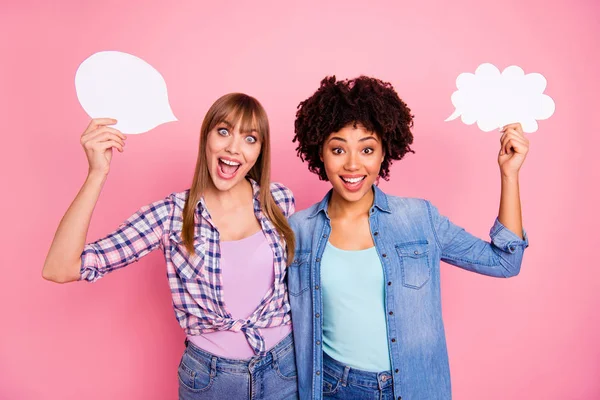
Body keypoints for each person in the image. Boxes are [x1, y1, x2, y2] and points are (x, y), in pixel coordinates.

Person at [42, 93, 299, 400]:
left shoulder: (279, 200)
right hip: (211, 380)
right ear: (206, 137)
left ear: (259, 151)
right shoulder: (170, 216)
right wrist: (97, 173)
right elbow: (60, 268)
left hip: (283, 369)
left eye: (250, 138)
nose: (234, 147)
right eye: (224, 131)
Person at [287, 76, 529, 400]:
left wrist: (509, 174)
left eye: (367, 149)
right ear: (320, 152)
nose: (353, 164)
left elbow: (504, 261)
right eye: (338, 149)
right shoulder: (297, 230)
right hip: (333, 387)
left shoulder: (419, 219)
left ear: (385, 150)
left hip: (413, 388)